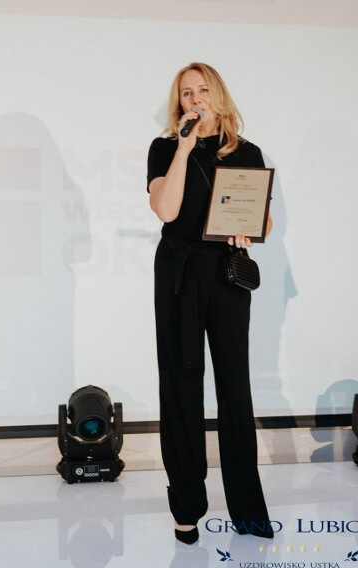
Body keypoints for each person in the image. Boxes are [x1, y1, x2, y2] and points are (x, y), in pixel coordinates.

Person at [146, 62, 274, 545]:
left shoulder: (247, 151)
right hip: (178, 272)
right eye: (186, 94)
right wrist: (182, 147)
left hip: (225, 273)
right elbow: (166, 209)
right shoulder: (163, 148)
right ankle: (186, 508)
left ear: (218, 96)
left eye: (203, 90)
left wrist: (251, 229)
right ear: (178, 103)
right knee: (180, 385)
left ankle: (247, 510)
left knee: (234, 388)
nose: (195, 99)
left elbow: (265, 221)